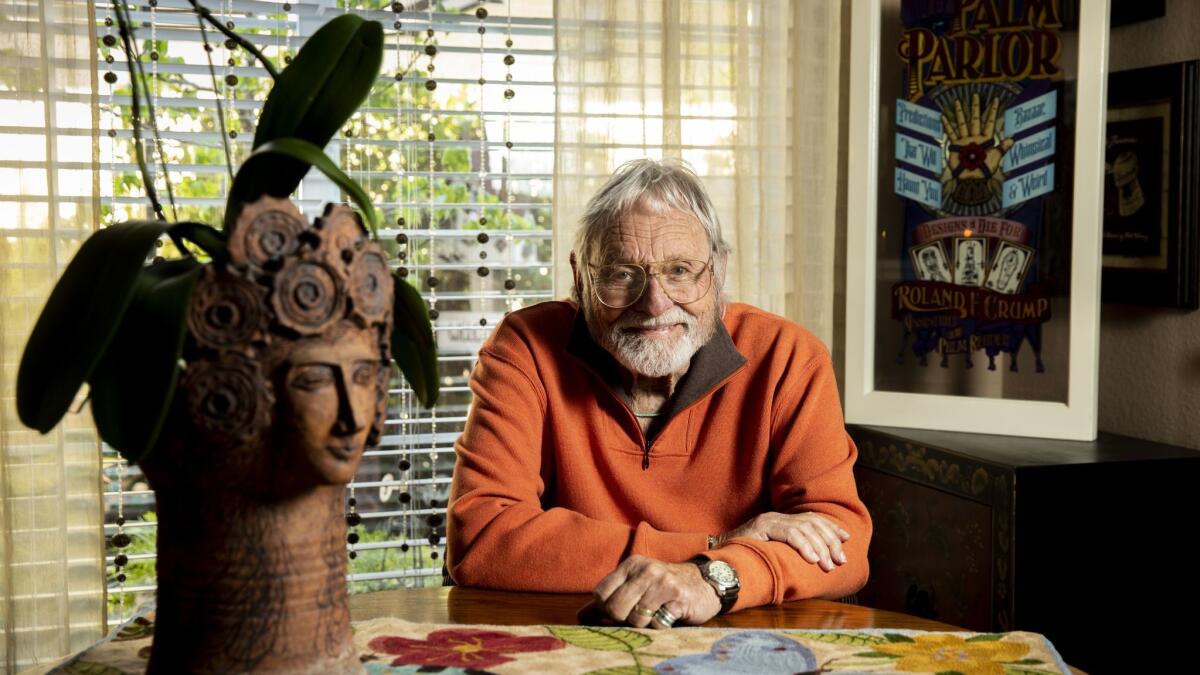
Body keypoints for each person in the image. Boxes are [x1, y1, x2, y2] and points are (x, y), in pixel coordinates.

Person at [446, 159, 871, 629]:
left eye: (680, 270)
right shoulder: (526, 347)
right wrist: (713, 545)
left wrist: (713, 580)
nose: (655, 302)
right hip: (574, 638)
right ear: (580, 274)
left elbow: (841, 547)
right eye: (622, 274)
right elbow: (481, 537)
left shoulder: (789, 357)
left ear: (719, 269)